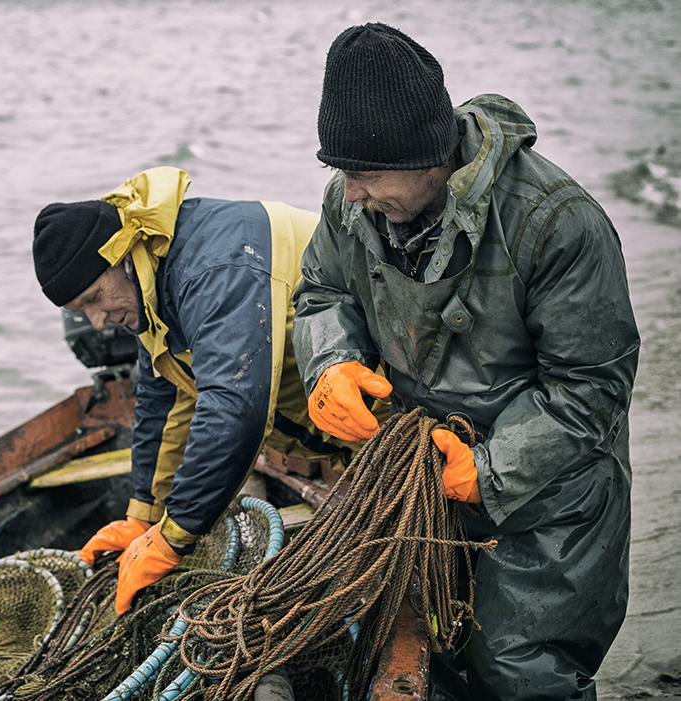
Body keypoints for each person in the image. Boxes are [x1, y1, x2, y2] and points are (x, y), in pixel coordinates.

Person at [292, 23, 640, 701]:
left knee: (519, 669)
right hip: (424, 484)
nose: (349, 192)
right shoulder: (349, 202)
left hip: (549, 496)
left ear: (428, 157)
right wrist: (329, 361)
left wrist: (486, 469)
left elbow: (592, 386)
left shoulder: (557, 222)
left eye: (363, 174)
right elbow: (320, 291)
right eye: (341, 172)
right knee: (435, 661)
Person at [32, 166, 378, 615]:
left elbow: (236, 409)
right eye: (82, 312)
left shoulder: (214, 266)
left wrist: (173, 537)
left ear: (122, 256)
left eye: (95, 299)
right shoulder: (152, 280)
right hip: (344, 431)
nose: (98, 322)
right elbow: (166, 399)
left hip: (397, 391)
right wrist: (143, 516)